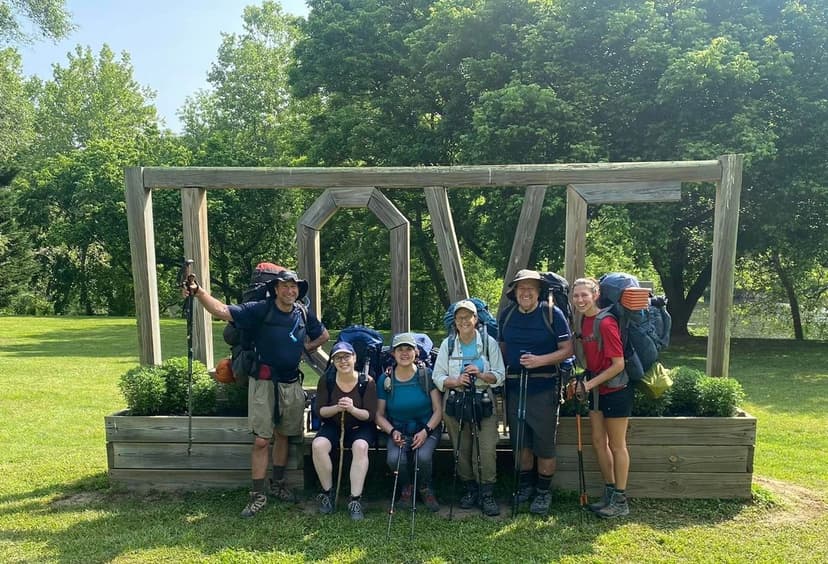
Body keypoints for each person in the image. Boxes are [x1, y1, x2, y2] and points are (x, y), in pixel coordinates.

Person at [183, 267, 329, 518]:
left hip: (291, 383)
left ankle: (279, 484)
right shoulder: (261, 309)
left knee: (284, 435)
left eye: (294, 286)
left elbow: (323, 335)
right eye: (285, 285)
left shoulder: (303, 312)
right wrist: (198, 293)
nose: (290, 290)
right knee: (262, 440)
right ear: (275, 289)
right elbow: (222, 311)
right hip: (263, 383)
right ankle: (257, 495)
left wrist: (306, 349)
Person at [498, 269, 574, 516]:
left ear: (539, 291)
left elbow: (567, 349)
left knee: (544, 444)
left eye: (531, 288)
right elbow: (502, 347)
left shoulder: (552, 313)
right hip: (514, 387)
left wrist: (540, 360)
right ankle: (525, 488)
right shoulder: (508, 315)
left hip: (544, 388)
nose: (526, 292)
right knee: (520, 444)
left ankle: (543, 492)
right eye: (522, 288)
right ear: (515, 292)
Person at [432, 300, 504, 516]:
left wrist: (481, 375)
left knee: (486, 448)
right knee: (461, 448)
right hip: (456, 400)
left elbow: (499, 375)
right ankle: (469, 488)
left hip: (483, 399)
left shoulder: (488, 342)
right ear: (454, 322)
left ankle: (486, 492)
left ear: (476, 319)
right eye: (459, 318)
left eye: (468, 317)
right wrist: (456, 380)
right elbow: (438, 376)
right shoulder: (448, 344)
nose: (464, 321)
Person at [570, 277, 631, 518]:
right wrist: (582, 381)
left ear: (596, 294)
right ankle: (609, 490)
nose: (580, 300)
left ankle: (620, 499)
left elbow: (618, 364)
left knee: (617, 445)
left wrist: (589, 384)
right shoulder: (584, 321)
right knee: (597, 441)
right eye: (576, 296)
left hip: (616, 390)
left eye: (585, 295)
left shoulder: (605, 323)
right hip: (596, 389)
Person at [376, 332, 443, 513]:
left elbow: (438, 410)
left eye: (409, 349)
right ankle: (407, 487)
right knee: (394, 458)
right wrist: (392, 432)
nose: (404, 353)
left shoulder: (426, 375)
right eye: (400, 349)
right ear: (393, 354)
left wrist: (426, 432)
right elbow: (379, 415)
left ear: (416, 353)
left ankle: (425, 487)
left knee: (423, 457)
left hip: (426, 428)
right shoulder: (386, 380)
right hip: (398, 429)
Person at [311, 341, 378, 520]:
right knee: (318, 445)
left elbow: (370, 415)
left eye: (346, 357)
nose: (343, 361)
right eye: (338, 358)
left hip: (360, 426)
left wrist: (352, 409)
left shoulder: (367, 381)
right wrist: (337, 408)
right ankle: (328, 493)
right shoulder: (327, 380)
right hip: (333, 425)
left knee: (360, 447)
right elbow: (321, 411)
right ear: (333, 361)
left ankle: (355, 499)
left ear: (354, 358)